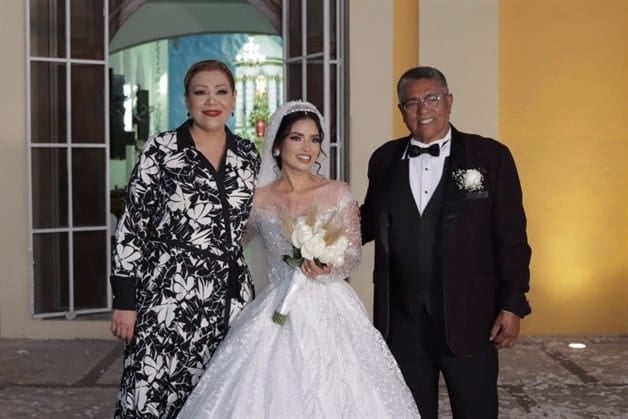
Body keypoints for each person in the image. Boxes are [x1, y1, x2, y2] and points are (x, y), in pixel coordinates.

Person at [177, 100, 420, 418]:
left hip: (332, 308)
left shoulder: (338, 192)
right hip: (277, 308)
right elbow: (228, 246)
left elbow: (353, 255)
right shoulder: (258, 200)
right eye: (297, 138)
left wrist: (327, 266)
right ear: (278, 145)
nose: (308, 148)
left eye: (314, 139)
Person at [360, 66, 532, 419]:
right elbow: (368, 222)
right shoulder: (384, 159)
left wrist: (513, 303)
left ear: (449, 101)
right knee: (409, 412)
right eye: (412, 103)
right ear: (401, 111)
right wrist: (319, 235)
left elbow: (512, 236)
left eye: (432, 98)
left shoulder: (490, 157)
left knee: (476, 410)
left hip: (471, 316)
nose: (423, 109)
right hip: (403, 322)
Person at [109, 59, 261, 418]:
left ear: (234, 98)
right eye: (200, 92)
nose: (211, 100)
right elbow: (132, 226)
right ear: (186, 100)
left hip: (228, 301)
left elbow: (261, 219)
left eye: (221, 91)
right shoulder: (161, 150)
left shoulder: (247, 156)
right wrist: (125, 301)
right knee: (149, 393)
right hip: (166, 296)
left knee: (216, 398)